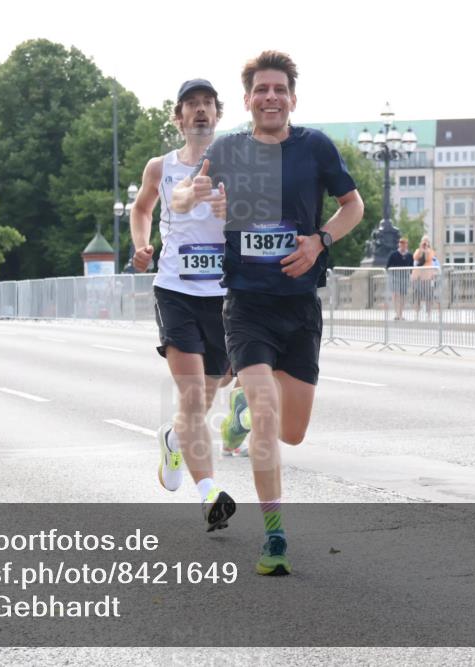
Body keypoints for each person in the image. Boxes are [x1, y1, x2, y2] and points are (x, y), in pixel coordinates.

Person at [173, 51, 364, 575]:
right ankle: (274, 535)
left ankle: (245, 410)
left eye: (280, 89)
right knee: (265, 412)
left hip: (300, 305)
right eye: (262, 90)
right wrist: (195, 193)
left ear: (292, 98)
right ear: (249, 99)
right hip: (248, 305)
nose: (271, 97)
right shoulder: (230, 149)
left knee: (293, 431)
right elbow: (187, 190)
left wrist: (320, 241)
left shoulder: (316, 148)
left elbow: (354, 206)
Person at [130, 78, 239, 531]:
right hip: (176, 291)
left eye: (206, 104)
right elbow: (141, 210)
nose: (199, 111)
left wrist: (234, 212)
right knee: (193, 395)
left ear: (218, 114)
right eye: (190, 105)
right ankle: (209, 493)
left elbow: (255, 219)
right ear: (178, 117)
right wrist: (141, 245)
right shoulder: (162, 167)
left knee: (209, 394)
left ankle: (174, 438)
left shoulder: (238, 163)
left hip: (226, 296)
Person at [386, 237, 414, 320]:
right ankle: (397, 313)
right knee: (395, 294)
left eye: (404, 243)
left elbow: (411, 267)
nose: (402, 245)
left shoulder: (409, 255)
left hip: (404, 278)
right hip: (395, 277)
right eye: (401, 243)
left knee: (402, 296)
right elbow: (388, 266)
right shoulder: (393, 254)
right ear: (399, 244)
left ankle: (401, 313)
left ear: (406, 245)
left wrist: (410, 275)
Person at [411, 236, 437, 319]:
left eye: (426, 242)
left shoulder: (431, 252)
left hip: (427, 277)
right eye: (423, 241)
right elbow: (415, 257)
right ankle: (416, 313)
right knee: (417, 296)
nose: (425, 243)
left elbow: (428, 258)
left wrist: (426, 251)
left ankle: (428, 314)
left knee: (428, 296)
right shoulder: (417, 251)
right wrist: (421, 250)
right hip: (417, 277)